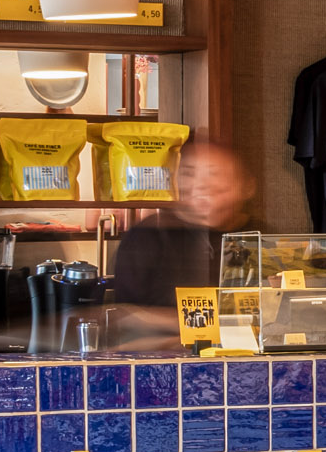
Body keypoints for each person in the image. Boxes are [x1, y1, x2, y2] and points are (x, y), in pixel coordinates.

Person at [105, 134, 252, 347]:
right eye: (189, 173)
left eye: (214, 174)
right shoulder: (148, 237)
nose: (201, 185)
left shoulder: (257, 238)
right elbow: (126, 319)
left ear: (245, 186)